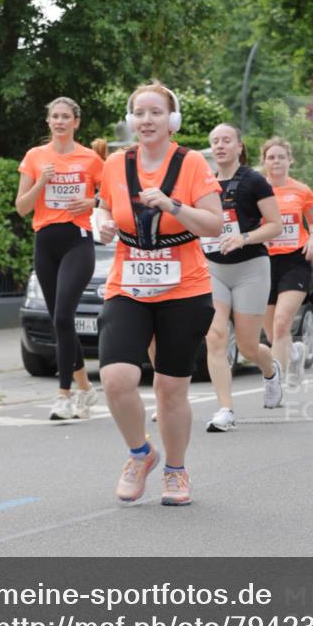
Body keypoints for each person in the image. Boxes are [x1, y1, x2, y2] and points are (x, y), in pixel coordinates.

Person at [96, 82, 222, 506]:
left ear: (172, 121)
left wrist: (172, 206)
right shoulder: (115, 163)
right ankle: (140, 454)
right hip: (128, 283)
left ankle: (176, 470)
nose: (146, 120)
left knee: (170, 389)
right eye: (139, 113)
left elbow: (213, 225)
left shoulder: (192, 165)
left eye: (155, 112)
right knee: (116, 378)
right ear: (131, 120)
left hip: (184, 288)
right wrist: (102, 223)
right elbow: (102, 206)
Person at [15, 97, 105, 420]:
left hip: (77, 243)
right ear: (48, 122)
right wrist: (41, 181)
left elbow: (111, 197)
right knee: (58, 322)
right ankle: (86, 388)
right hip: (45, 244)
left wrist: (92, 202)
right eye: (55, 116)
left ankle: (63, 395)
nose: (60, 121)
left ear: (76, 122)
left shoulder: (91, 159)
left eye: (66, 116)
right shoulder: (35, 157)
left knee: (64, 317)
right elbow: (22, 207)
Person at [203, 124, 284, 429]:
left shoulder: (254, 180)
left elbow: (275, 225)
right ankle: (225, 410)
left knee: (249, 347)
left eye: (227, 140)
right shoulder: (204, 182)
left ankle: (270, 371)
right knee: (215, 336)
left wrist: (245, 237)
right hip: (213, 269)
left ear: (239, 146)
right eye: (215, 141)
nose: (220, 145)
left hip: (250, 267)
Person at [261, 136, 313, 390]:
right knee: (272, 333)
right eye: (271, 157)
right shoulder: (257, 189)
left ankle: (274, 384)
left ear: (290, 160)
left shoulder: (301, 190)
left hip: (295, 259)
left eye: (280, 157)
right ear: (264, 162)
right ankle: (295, 355)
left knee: (281, 323)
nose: (276, 161)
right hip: (263, 262)